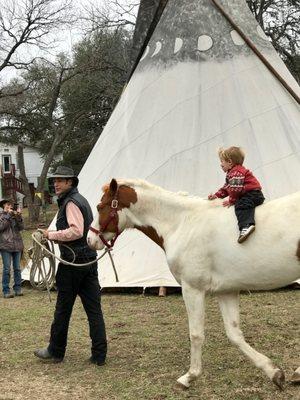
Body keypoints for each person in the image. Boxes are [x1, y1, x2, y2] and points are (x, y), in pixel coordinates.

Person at [34, 166, 107, 365]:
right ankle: (99, 354)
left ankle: (55, 351)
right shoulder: (80, 200)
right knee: (94, 310)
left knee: (63, 310)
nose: (56, 183)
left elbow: (76, 231)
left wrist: (51, 235)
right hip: (88, 263)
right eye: (55, 180)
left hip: (73, 265)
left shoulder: (71, 202)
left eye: (61, 180)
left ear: (70, 182)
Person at [208, 146, 265, 243]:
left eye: (222, 161)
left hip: (252, 194)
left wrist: (232, 201)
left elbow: (235, 190)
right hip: (250, 194)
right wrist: (216, 195)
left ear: (229, 162)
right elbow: (227, 188)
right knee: (240, 202)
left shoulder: (236, 172)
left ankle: (246, 226)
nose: (220, 164)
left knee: (240, 205)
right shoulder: (232, 173)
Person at [0, 199, 24, 298]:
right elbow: (1, 228)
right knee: (6, 269)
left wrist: (18, 217)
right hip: (6, 245)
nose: (10, 206)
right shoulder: (1, 216)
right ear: (3, 206)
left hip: (17, 245)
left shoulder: (14, 216)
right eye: (8, 205)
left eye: (11, 205)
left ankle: (17, 289)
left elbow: (21, 227)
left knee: (17, 268)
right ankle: (6, 291)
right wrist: (8, 216)